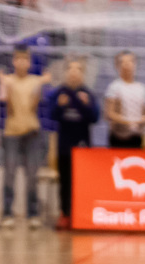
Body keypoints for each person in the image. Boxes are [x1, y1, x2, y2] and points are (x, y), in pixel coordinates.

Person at [0, 46, 50, 228]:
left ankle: (33, 213)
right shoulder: (7, 80)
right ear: (13, 61)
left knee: (32, 175)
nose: (22, 62)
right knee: (9, 173)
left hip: (32, 132)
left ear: (29, 62)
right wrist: (7, 89)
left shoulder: (36, 81)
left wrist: (40, 87)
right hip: (11, 133)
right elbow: (8, 109)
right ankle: (7, 213)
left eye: (25, 59)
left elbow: (34, 107)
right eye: (18, 59)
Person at [50, 58, 98, 229]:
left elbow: (95, 118)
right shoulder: (59, 93)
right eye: (70, 69)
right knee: (64, 182)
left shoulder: (87, 94)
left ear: (82, 74)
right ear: (65, 73)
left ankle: (81, 214)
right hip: (64, 146)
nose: (73, 72)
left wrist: (86, 105)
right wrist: (60, 106)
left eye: (78, 69)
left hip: (82, 148)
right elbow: (51, 115)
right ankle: (65, 214)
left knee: (81, 182)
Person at [103, 51, 145, 148]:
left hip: (136, 137)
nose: (127, 65)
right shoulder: (114, 87)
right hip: (118, 137)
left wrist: (144, 120)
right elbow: (109, 113)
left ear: (135, 64)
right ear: (118, 66)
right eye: (123, 62)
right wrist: (127, 122)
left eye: (130, 62)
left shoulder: (142, 88)